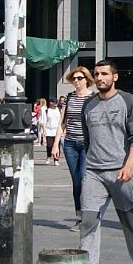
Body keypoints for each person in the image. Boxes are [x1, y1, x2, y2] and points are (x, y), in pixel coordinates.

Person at [80, 59, 133, 264]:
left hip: (121, 172)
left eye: (104, 74)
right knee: (88, 220)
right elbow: (88, 140)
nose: (99, 78)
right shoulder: (88, 105)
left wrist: (128, 165)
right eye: (96, 74)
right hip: (93, 172)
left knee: (131, 221)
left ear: (114, 77)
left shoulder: (128, 101)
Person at [56, 66, 94, 232]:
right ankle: (79, 216)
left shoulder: (94, 97)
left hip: (86, 144)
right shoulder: (69, 97)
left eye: (79, 78)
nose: (76, 81)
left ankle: (87, 216)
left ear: (87, 79)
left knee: (85, 179)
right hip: (70, 144)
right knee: (76, 181)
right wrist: (56, 143)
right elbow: (62, 122)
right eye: (74, 79)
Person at [40, 97, 62, 165]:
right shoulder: (46, 111)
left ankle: (56, 159)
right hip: (49, 129)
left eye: (56, 102)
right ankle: (49, 156)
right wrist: (44, 131)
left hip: (57, 129)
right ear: (51, 103)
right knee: (49, 145)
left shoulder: (59, 110)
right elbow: (44, 121)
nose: (56, 103)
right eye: (54, 102)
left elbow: (62, 121)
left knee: (57, 145)